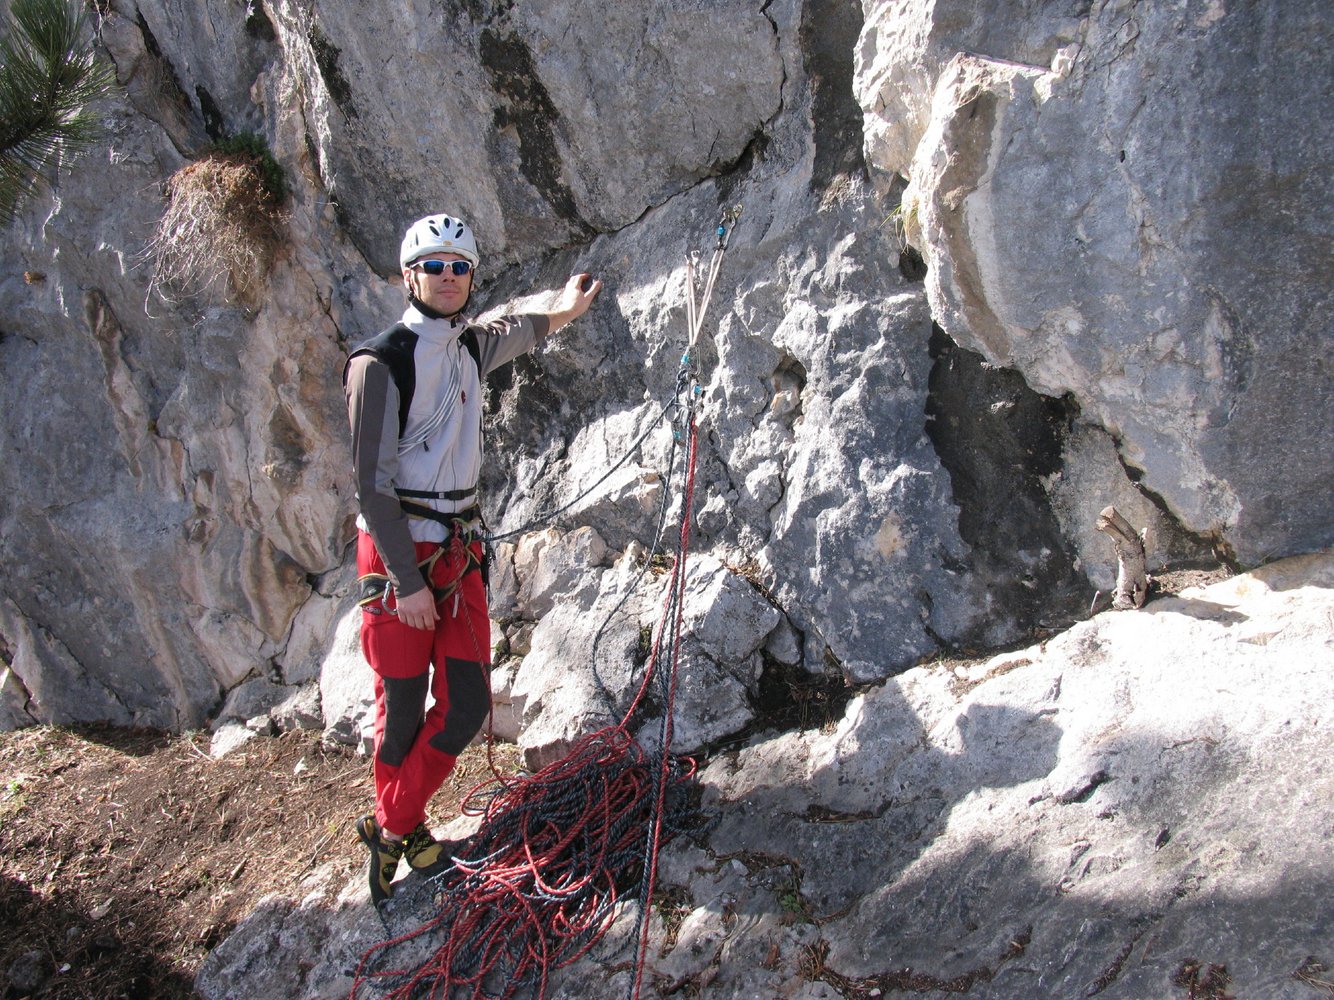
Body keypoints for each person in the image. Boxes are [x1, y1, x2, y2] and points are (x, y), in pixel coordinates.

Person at [343, 213, 601, 903]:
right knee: (401, 708)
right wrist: (406, 581)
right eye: (435, 267)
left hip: (456, 548)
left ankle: (389, 825)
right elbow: (371, 487)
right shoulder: (378, 363)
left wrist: (566, 308)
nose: (450, 277)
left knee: (465, 705)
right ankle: (408, 827)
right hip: (398, 555)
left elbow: (520, 330)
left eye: (460, 267)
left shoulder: (467, 347)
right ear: (410, 277)